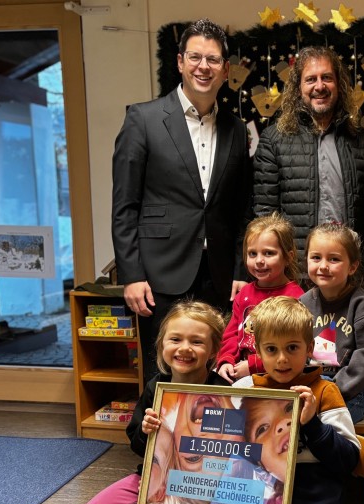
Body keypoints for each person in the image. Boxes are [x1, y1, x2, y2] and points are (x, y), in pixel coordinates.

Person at [162, 296, 360, 504]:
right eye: (272, 349)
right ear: (258, 351)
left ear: (309, 349)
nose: (282, 359)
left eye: (292, 348)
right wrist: (161, 426)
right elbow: (220, 453)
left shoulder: (323, 392)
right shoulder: (243, 391)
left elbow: (348, 460)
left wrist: (312, 426)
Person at [112, 18, 252, 383]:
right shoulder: (142, 119)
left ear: (225, 70)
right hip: (160, 272)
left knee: (214, 370)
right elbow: (125, 205)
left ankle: (206, 440)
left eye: (213, 59)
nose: (203, 67)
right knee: (163, 370)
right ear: (180, 62)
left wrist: (240, 271)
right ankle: (152, 441)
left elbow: (241, 210)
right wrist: (131, 274)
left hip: (219, 275)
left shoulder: (236, 130)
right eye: (195, 57)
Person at [65, 300, 227, 504]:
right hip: (148, 479)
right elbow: (137, 445)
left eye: (197, 341)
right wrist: (145, 430)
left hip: (193, 488)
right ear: (162, 344)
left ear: (214, 350)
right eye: (175, 339)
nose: (184, 348)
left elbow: (231, 456)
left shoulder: (225, 394)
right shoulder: (157, 386)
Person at [252, 46, 364, 291]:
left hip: (349, 275)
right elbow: (265, 215)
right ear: (298, 88)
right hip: (295, 278)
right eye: (311, 79)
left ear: (339, 84)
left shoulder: (362, 141)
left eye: (327, 77)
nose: (320, 86)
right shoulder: (274, 140)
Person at [300, 223, 364, 423]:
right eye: (316, 257)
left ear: (353, 267)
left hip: (355, 389)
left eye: (334, 259)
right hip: (314, 383)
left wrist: (332, 389)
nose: (323, 265)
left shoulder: (361, 306)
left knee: (320, 420)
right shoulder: (303, 304)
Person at [216, 214, 304, 382]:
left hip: (277, 375)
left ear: (288, 257)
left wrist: (253, 365)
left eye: (269, 253)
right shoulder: (244, 294)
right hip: (239, 370)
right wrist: (226, 360)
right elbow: (232, 334)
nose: (259, 261)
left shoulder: (296, 297)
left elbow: (294, 350)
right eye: (252, 254)